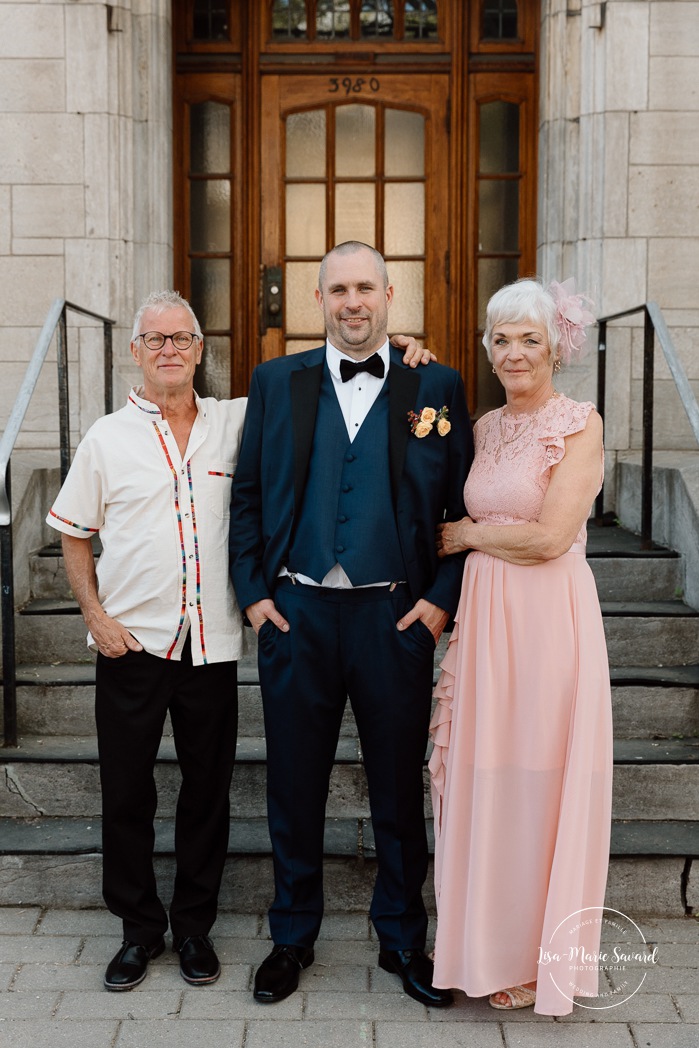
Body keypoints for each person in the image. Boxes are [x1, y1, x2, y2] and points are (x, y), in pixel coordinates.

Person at [45, 289, 431, 992]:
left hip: (212, 645)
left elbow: (334, 388)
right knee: (127, 794)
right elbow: (72, 530)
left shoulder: (239, 419)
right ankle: (138, 931)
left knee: (206, 795)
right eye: (155, 339)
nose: (169, 350)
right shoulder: (105, 437)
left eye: (182, 338)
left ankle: (193, 929)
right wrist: (94, 616)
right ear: (135, 351)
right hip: (130, 643)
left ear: (200, 350)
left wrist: (396, 347)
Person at [229, 241, 474, 1007]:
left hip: (392, 616)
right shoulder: (275, 381)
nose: (352, 302)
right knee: (293, 787)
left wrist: (438, 601)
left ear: (390, 293)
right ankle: (291, 937)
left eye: (365, 287)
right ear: (318, 299)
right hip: (296, 613)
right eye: (338, 289)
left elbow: (464, 508)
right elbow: (246, 496)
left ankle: (402, 941)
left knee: (398, 790)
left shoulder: (434, 381)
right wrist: (253, 598)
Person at [429, 278, 613, 1016]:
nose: (513, 353)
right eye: (500, 339)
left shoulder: (579, 424)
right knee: (488, 779)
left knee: (538, 779)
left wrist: (470, 535)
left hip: (546, 619)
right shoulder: (480, 424)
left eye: (528, 339)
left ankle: (543, 962)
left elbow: (547, 537)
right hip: (487, 620)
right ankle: (486, 950)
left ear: (556, 345)